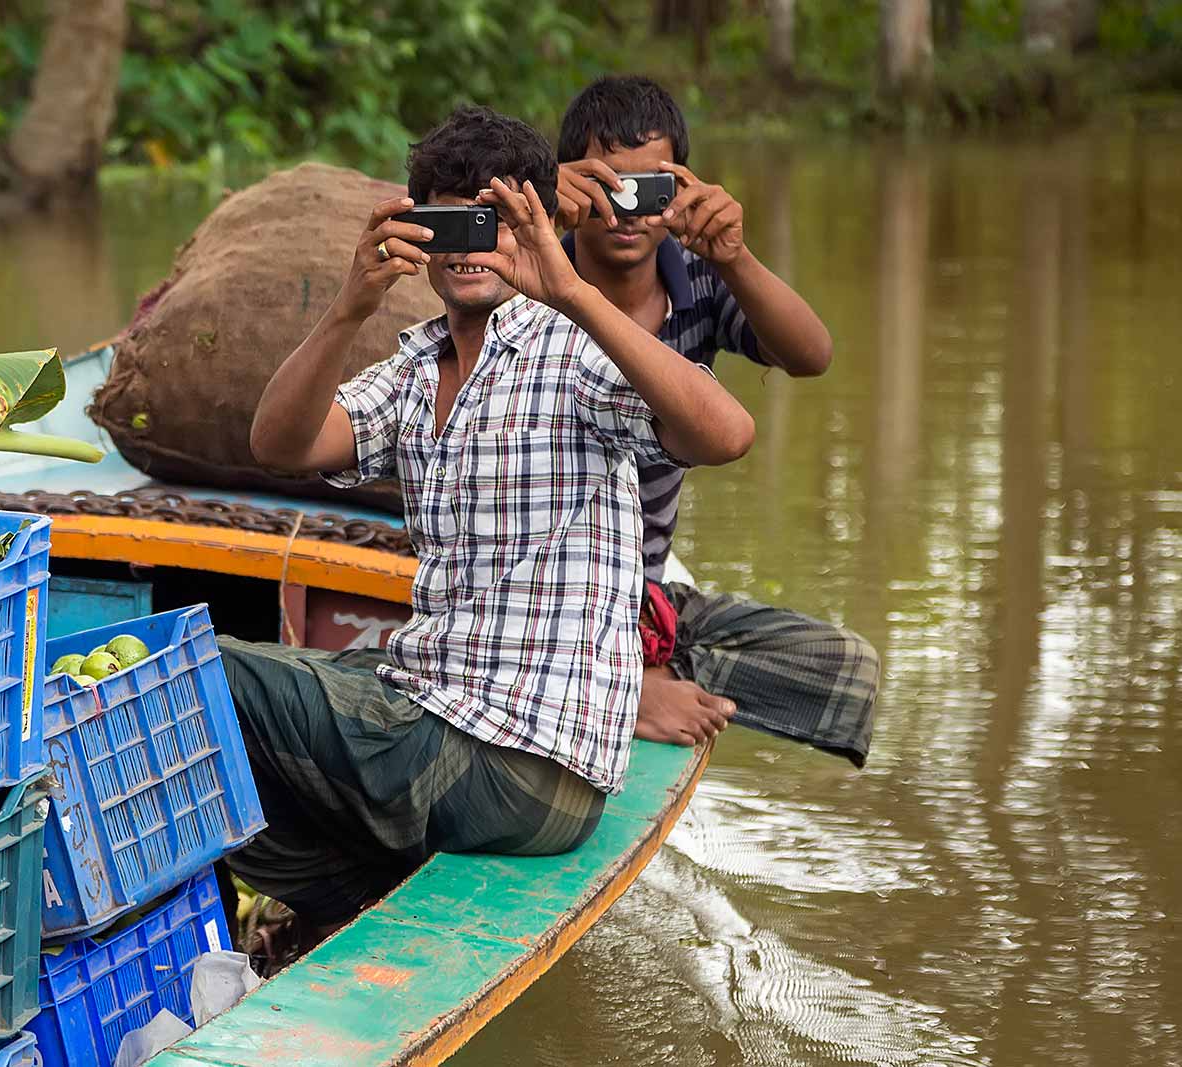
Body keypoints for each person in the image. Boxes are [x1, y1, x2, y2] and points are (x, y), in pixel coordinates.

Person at [231, 105, 755, 948]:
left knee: (214, 674)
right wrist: (344, 309)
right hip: (440, 707)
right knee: (259, 719)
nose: (470, 247)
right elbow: (282, 443)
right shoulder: (415, 365)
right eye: (448, 222)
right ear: (417, 236)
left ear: (538, 225)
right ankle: (345, 892)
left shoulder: (575, 350)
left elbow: (727, 433)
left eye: (495, 220)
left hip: (523, 764)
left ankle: (340, 877)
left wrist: (574, 289)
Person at [554, 75, 880, 762]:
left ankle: (649, 672)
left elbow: (812, 355)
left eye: (649, 192)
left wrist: (732, 255)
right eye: (606, 188)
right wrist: (535, 219)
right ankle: (621, 684)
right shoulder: (534, 279)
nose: (626, 212)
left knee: (846, 670)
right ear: (572, 186)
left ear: (680, 192)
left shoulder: (696, 281)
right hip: (544, 584)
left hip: (637, 589)